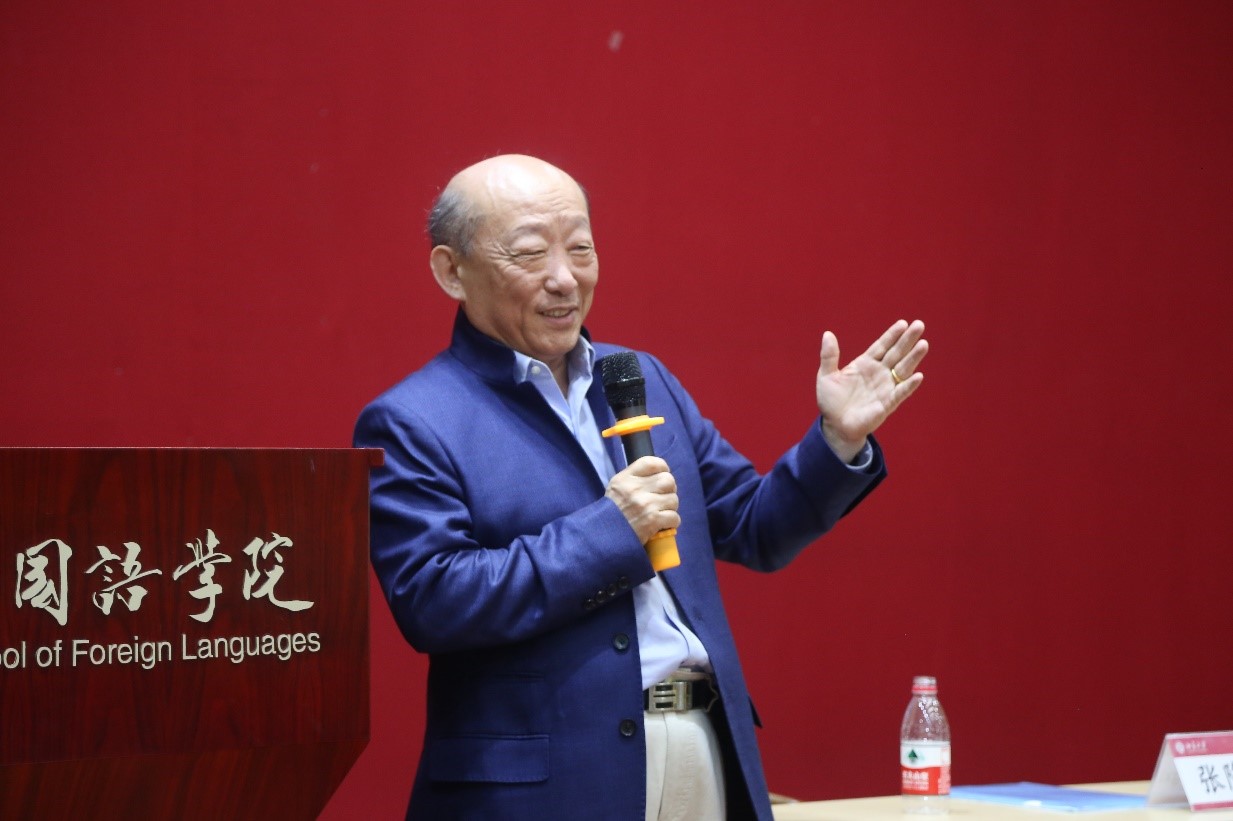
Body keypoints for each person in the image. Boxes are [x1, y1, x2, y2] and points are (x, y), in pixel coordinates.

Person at [354, 154, 928, 820]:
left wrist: (836, 441)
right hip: (546, 786)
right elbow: (434, 601)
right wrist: (611, 530)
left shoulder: (640, 378)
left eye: (581, 248)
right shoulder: (414, 419)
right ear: (451, 271)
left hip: (701, 745)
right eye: (531, 253)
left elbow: (755, 527)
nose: (564, 277)